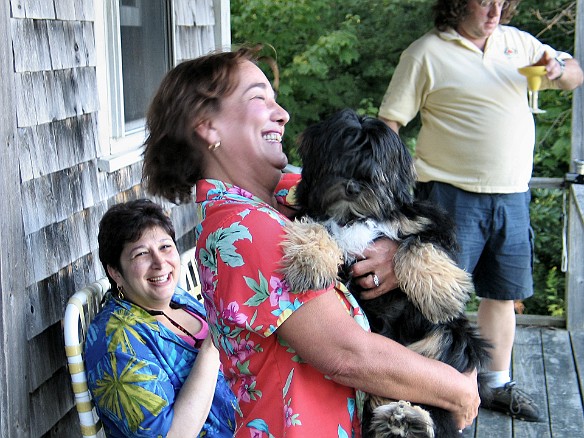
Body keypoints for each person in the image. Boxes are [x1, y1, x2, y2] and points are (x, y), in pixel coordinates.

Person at [142, 46, 481, 437]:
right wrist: (458, 389)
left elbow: (383, 211)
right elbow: (347, 355)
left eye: (276, 99)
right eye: (258, 98)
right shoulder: (243, 230)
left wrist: (397, 252)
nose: (283, 113)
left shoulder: (280, 200)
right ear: (208, 127)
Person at [378, 0, 584, 422]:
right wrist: (385, 189)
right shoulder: (425, 53)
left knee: (502, 295)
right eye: (483, 0)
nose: (494, 10)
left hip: (512, 195)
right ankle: (431, 386)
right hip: (448, 196)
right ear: (456, 4)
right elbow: (389, 124)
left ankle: (495, 385)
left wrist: (558, 70)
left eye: (502, 1)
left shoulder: (518, 43)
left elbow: (574, 74)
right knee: (431, 298)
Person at [84, 199, 236, 437]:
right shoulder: (117, 343)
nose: (159, 262)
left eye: (165, 247)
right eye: (141, 253)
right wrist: (211, 347)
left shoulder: (176, 297)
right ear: (115, 272)